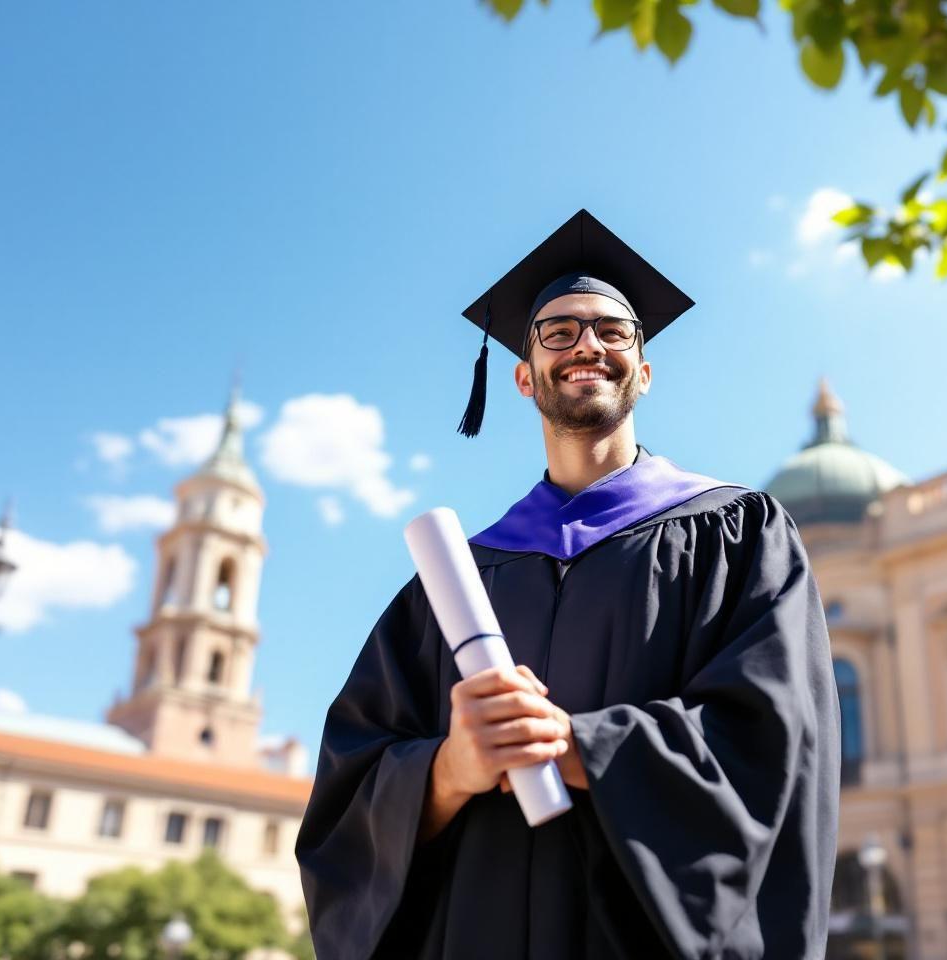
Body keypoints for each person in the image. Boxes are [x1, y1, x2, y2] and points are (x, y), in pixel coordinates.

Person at [296, 210, 840, 959]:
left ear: (643, 371)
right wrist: (448, 770)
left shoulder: (740, 535)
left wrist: (578, 745)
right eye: (558, 332)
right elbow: (347, 791)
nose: (587, 343)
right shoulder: (451, 583)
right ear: (524, 377)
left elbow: (774, 741)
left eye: (614, 331)